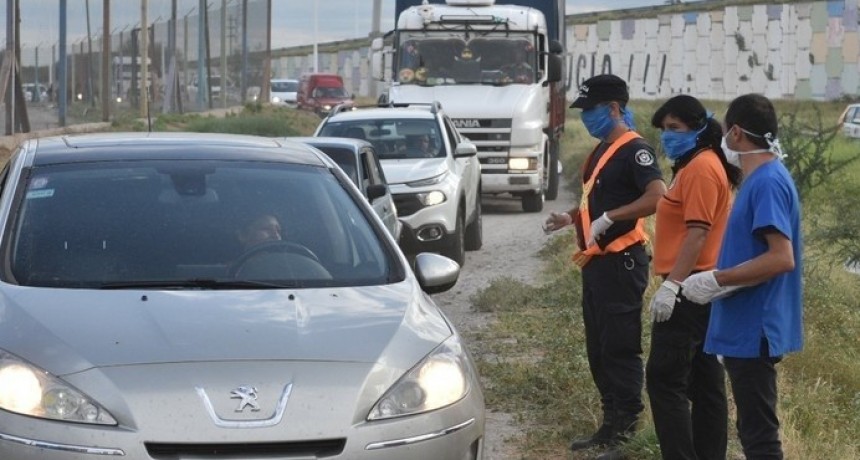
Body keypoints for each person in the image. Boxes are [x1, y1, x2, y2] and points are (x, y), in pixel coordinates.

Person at [543, 74, 666, 459]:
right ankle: (609, 424)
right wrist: (570, 218)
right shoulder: (600, 151)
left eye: (592, 110)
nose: (587, 118)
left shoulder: (636, 151)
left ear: (614, 109)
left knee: (620, 348)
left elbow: (657, 197)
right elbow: (593, 203)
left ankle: (626, 432)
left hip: (622, 264)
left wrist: (613, 217)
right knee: (598, 348)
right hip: (597, 265)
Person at [681, 94, 802, 460]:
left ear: (735, 132)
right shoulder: (760, 179)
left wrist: (716, 280)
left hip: (756, 327)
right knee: (751, 430)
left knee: (760, 437)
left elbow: (781, 258)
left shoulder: (766, 182)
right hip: (744, 327)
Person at [646, 95, 742, 460]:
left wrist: (672, 285)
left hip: (690, 287)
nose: (668, 136)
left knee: (665, 380)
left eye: (675, 129)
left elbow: (697, 232)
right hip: (701, 286)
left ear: (698, 128)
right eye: (664, 130)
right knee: (705, 383)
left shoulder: (701, 167)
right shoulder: (699, 164)